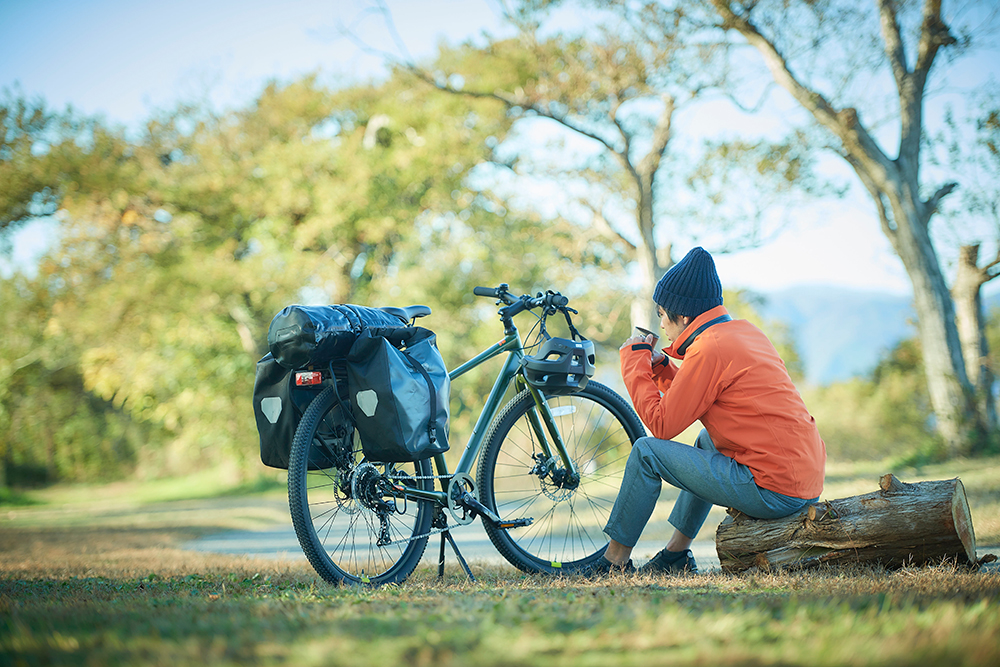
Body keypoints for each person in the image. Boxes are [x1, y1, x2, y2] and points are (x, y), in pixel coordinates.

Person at [583, 246, 826, 576]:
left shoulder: (709, 348)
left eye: (661, 315)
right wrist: (661, 370)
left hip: (774, 489)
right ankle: (676, 556)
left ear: (682, 317)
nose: (663, 327)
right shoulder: (742, 333)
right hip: (803, 478)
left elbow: (662, 425)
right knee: (706, 440)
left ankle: (613, 562)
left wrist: (634, 365)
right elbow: (706, 394)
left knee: (645, 452)